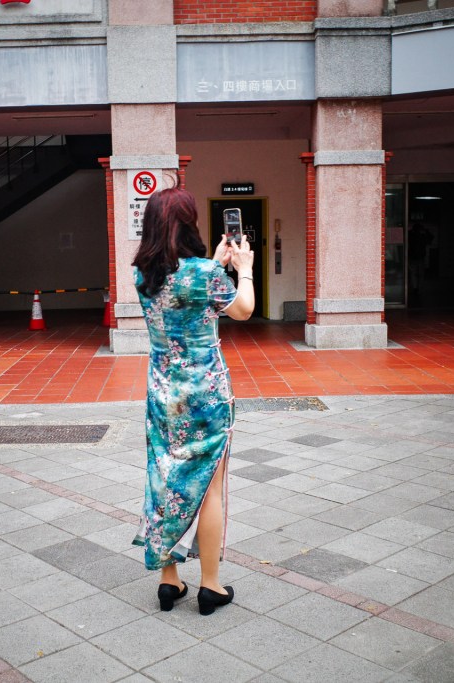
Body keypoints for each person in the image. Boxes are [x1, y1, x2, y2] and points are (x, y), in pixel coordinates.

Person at [130, 187, 255, 616]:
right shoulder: (204, 274)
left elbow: (179, 292)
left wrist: (215, 265)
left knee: (164, 478)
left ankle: (169, 580)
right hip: (206, 396)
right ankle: (210, 585)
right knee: (209, 488)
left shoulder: (142, 274)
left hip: (162, 392)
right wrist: (243, 270)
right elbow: (243, 310)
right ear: (188, 223)